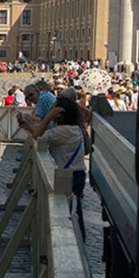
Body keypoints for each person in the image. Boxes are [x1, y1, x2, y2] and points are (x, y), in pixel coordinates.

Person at [25, 96, 87, 240]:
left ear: (60, 113)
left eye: (54, 108)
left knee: (69, 213)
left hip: (69, 176)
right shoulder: (72, 129)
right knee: (74, 212)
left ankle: (72, 243)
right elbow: (40, 135)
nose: (52, 110)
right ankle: (77, 240)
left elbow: (37, 136)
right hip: (75, 175)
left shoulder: (64, 131)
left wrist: (48, 116)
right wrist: (28, 126)